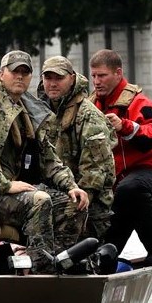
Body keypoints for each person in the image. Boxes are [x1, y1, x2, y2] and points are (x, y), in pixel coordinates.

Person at [0, 50, 90, 273]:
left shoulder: (27, 109)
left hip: (12, 189)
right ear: (1, 73)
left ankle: (60, 263)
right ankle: (40, 271)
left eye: (25, 72)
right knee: (39, 200)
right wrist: (4, 184)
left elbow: (49, 158)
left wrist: (71, 186)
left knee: (75, 205)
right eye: (15, 72)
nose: (20, 77)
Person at [89, 49, 152, 265]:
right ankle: (104, 262)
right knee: (100, 252)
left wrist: (124, 126)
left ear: (118, 73)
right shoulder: (91, 106)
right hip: (116, 189)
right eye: (94, 76)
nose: (97, 81)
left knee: (130, 189)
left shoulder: (140, 103)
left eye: (102, 75)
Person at [38, 55, 117, 239]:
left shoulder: (89, 115)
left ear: (72, 78)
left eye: (59, 78)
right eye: (48, 78)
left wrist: (75, 203)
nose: (53, 83)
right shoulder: (41, 112)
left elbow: (94, 171)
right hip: (54, 195)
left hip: (90, 205)